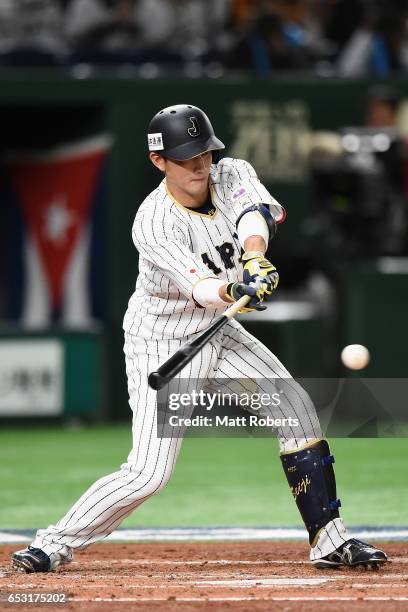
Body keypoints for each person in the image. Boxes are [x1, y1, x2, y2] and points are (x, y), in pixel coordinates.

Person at [12, 104, 387, 573]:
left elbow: (254, 215)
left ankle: (331, 542)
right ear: (158, 161)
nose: (199, 164)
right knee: (149, 473)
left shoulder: (231, 172)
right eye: (186, 156)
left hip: (223, 334)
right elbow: (201, 287)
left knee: (296, 409)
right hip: (164, 340)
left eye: (204, 152)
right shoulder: (152, 222)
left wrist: (255, 259)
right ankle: (54, 541)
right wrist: (235, 289)